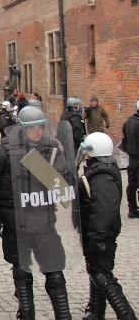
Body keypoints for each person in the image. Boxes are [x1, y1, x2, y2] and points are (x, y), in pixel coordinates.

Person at [0, 106, 75, 320]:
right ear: (22, 128)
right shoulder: (5, 150)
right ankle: (26, 313)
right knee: (21, 270)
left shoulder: (52, 149)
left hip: (44, 220)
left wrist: (56, 173)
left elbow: (65, 187)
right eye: (32, 128)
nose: (37, 131)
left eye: (40, 127)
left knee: (54, 271)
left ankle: (63, 315)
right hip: (15, 222)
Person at [77, 133, 138, 320]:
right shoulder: (100, 168)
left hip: (101, 234)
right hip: (97, 232)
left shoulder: (101, 174)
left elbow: (103, 208)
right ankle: (96, 310)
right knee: (94, 269)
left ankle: (126, 314)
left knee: (101, 274)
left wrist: (97, 237)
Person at [120, 100, 139, 219]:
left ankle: (132, 209)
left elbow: (124, 140)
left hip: (132, 158)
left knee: (132, 184)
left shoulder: (128, 122)